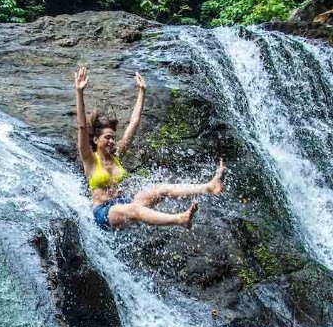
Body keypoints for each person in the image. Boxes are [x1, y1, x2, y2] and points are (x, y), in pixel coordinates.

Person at [73, 65, 225, 230]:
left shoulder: (117, 154)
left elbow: (134, 123)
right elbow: (82, 127)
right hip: (104, 213)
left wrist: (141, 92)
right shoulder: (90, 160)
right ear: (95, 139)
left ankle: (208, 187)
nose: (111, 141)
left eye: (113, 138)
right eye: (107, 138)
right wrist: (79, 92)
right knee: (136, 209)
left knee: (161, 189)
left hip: (124, 204)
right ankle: (180, 219)